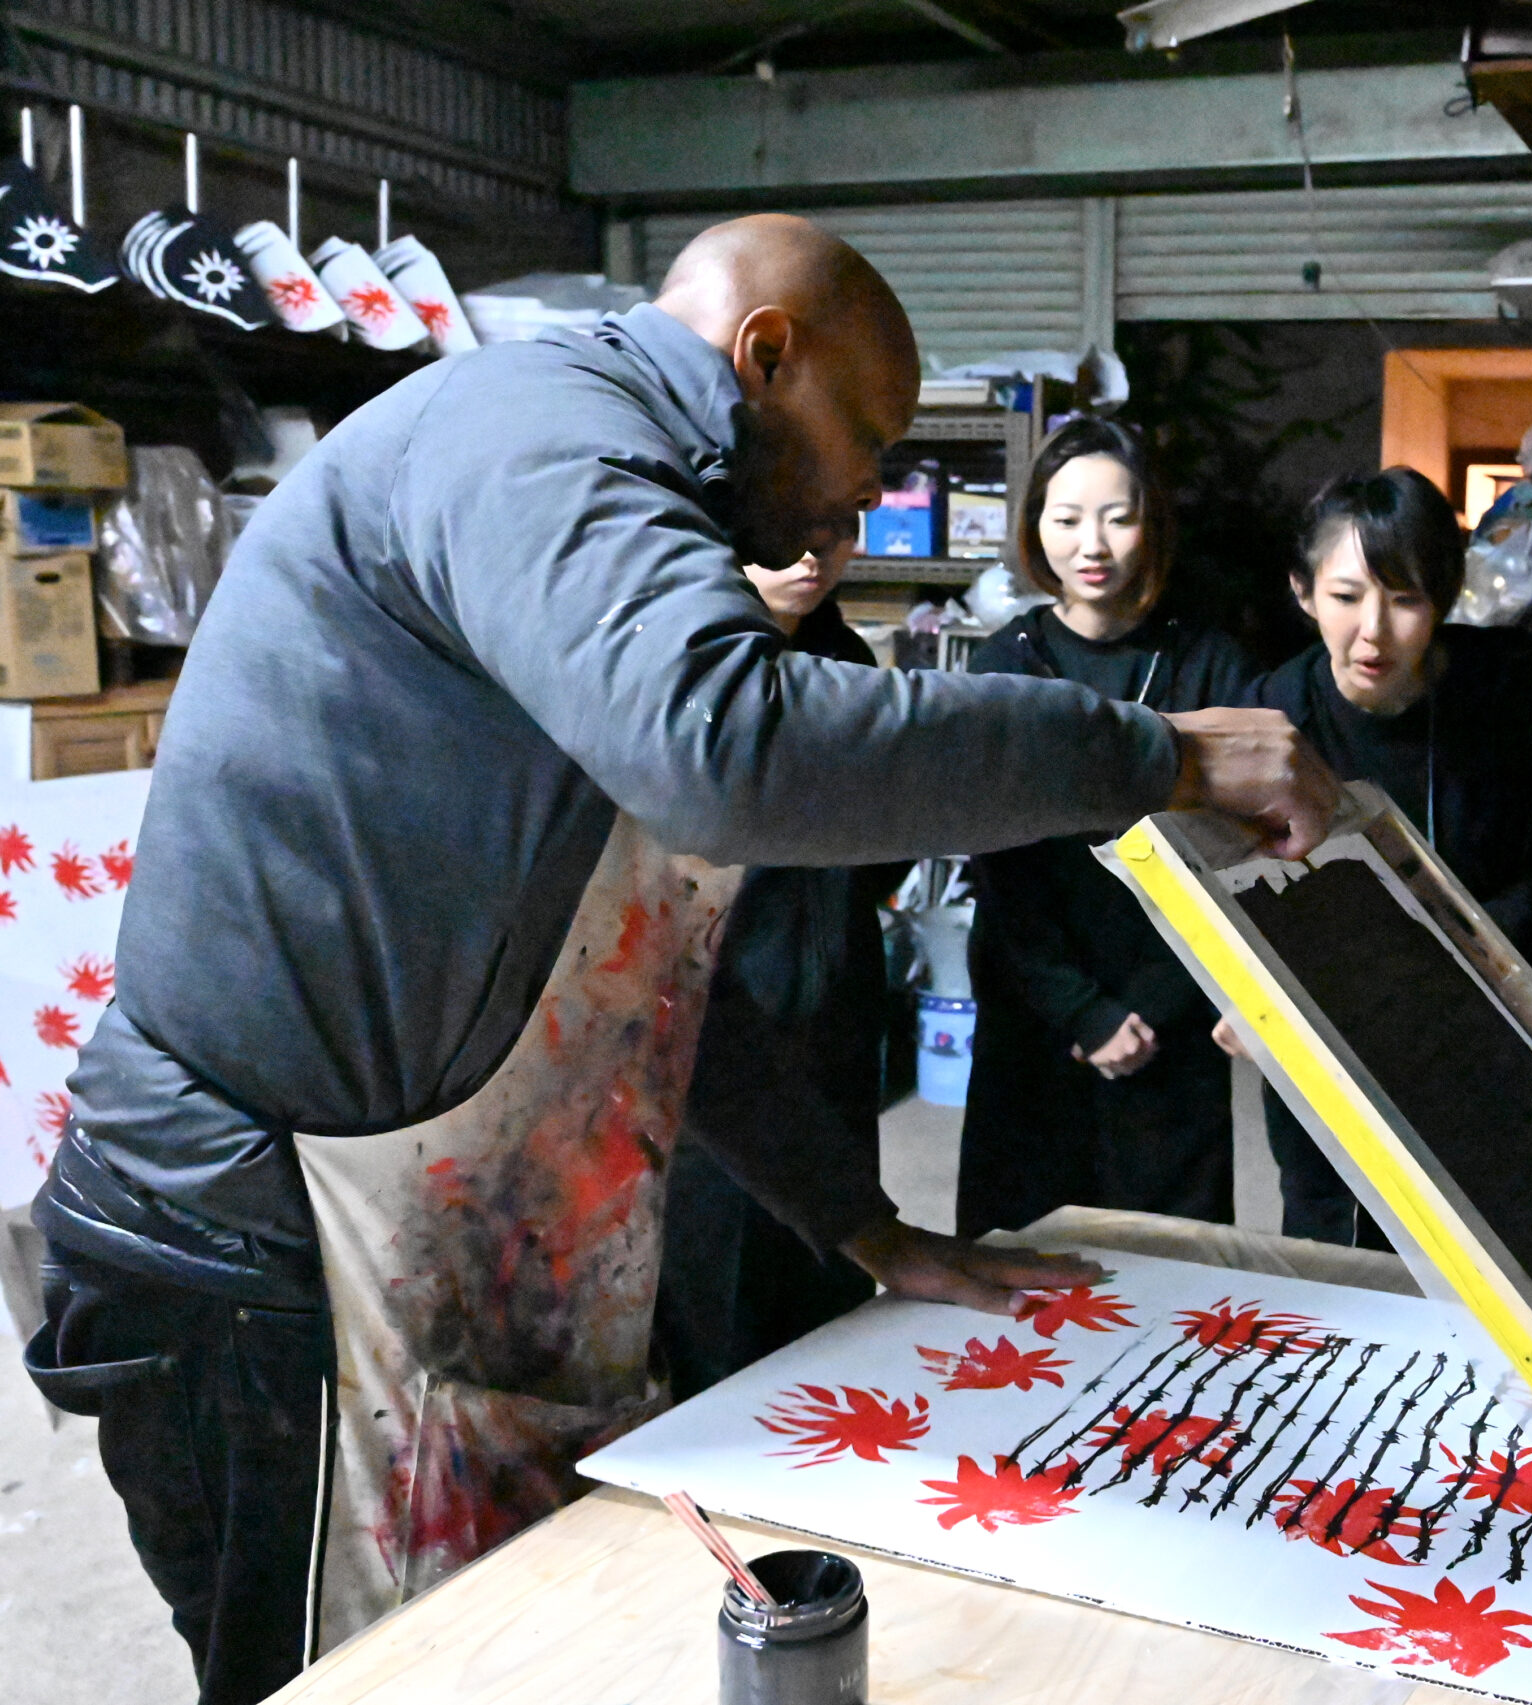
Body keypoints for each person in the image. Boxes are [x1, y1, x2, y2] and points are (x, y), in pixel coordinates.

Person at [24, 214, 1333, 1705]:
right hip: (255, 1248)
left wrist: (858, 1223)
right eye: (868, 437)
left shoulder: (611, 523)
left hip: (399, 1248)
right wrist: (1154, 756)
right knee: (350, 1676)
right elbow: (729, 753)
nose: (871, 489)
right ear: (765, 356)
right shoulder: (541, 441)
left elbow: (632, 988)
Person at [1239, 468, 1532, 1248]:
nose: (1373, 631)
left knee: (1495, 1260)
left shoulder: (1523, 704)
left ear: (1443, 596)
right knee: (1337, 1257)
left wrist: (1446, 944)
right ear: (1303, 592)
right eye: (1346, 597)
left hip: (1489, 1045)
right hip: (1329, 1056)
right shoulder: (1270, 720)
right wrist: (1242, 992)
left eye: (1404, 599)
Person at [957, 417, 1257, 1236]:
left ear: (1151, 523)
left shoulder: (1209, 664)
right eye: (1066, 519)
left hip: (1173, 1015)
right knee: (1024, 1259)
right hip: (1036, 1007)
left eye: (1117, 518)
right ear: (1035, 527)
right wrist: (1080, 1009)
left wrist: (1159, 1002)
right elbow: (999, 871)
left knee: (1177, 1263)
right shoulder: (1002, 667)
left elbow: (1235, 851)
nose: (1091, 544)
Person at [653, 547, 905, 1400]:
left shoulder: (848, 664)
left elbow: (886, 841)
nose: (811, 551)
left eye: (838, 525)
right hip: (718, 1028)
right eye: (787, 528)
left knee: (833, 1298)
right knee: (718, 1321)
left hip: (836, 1010)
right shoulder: (681, 668)